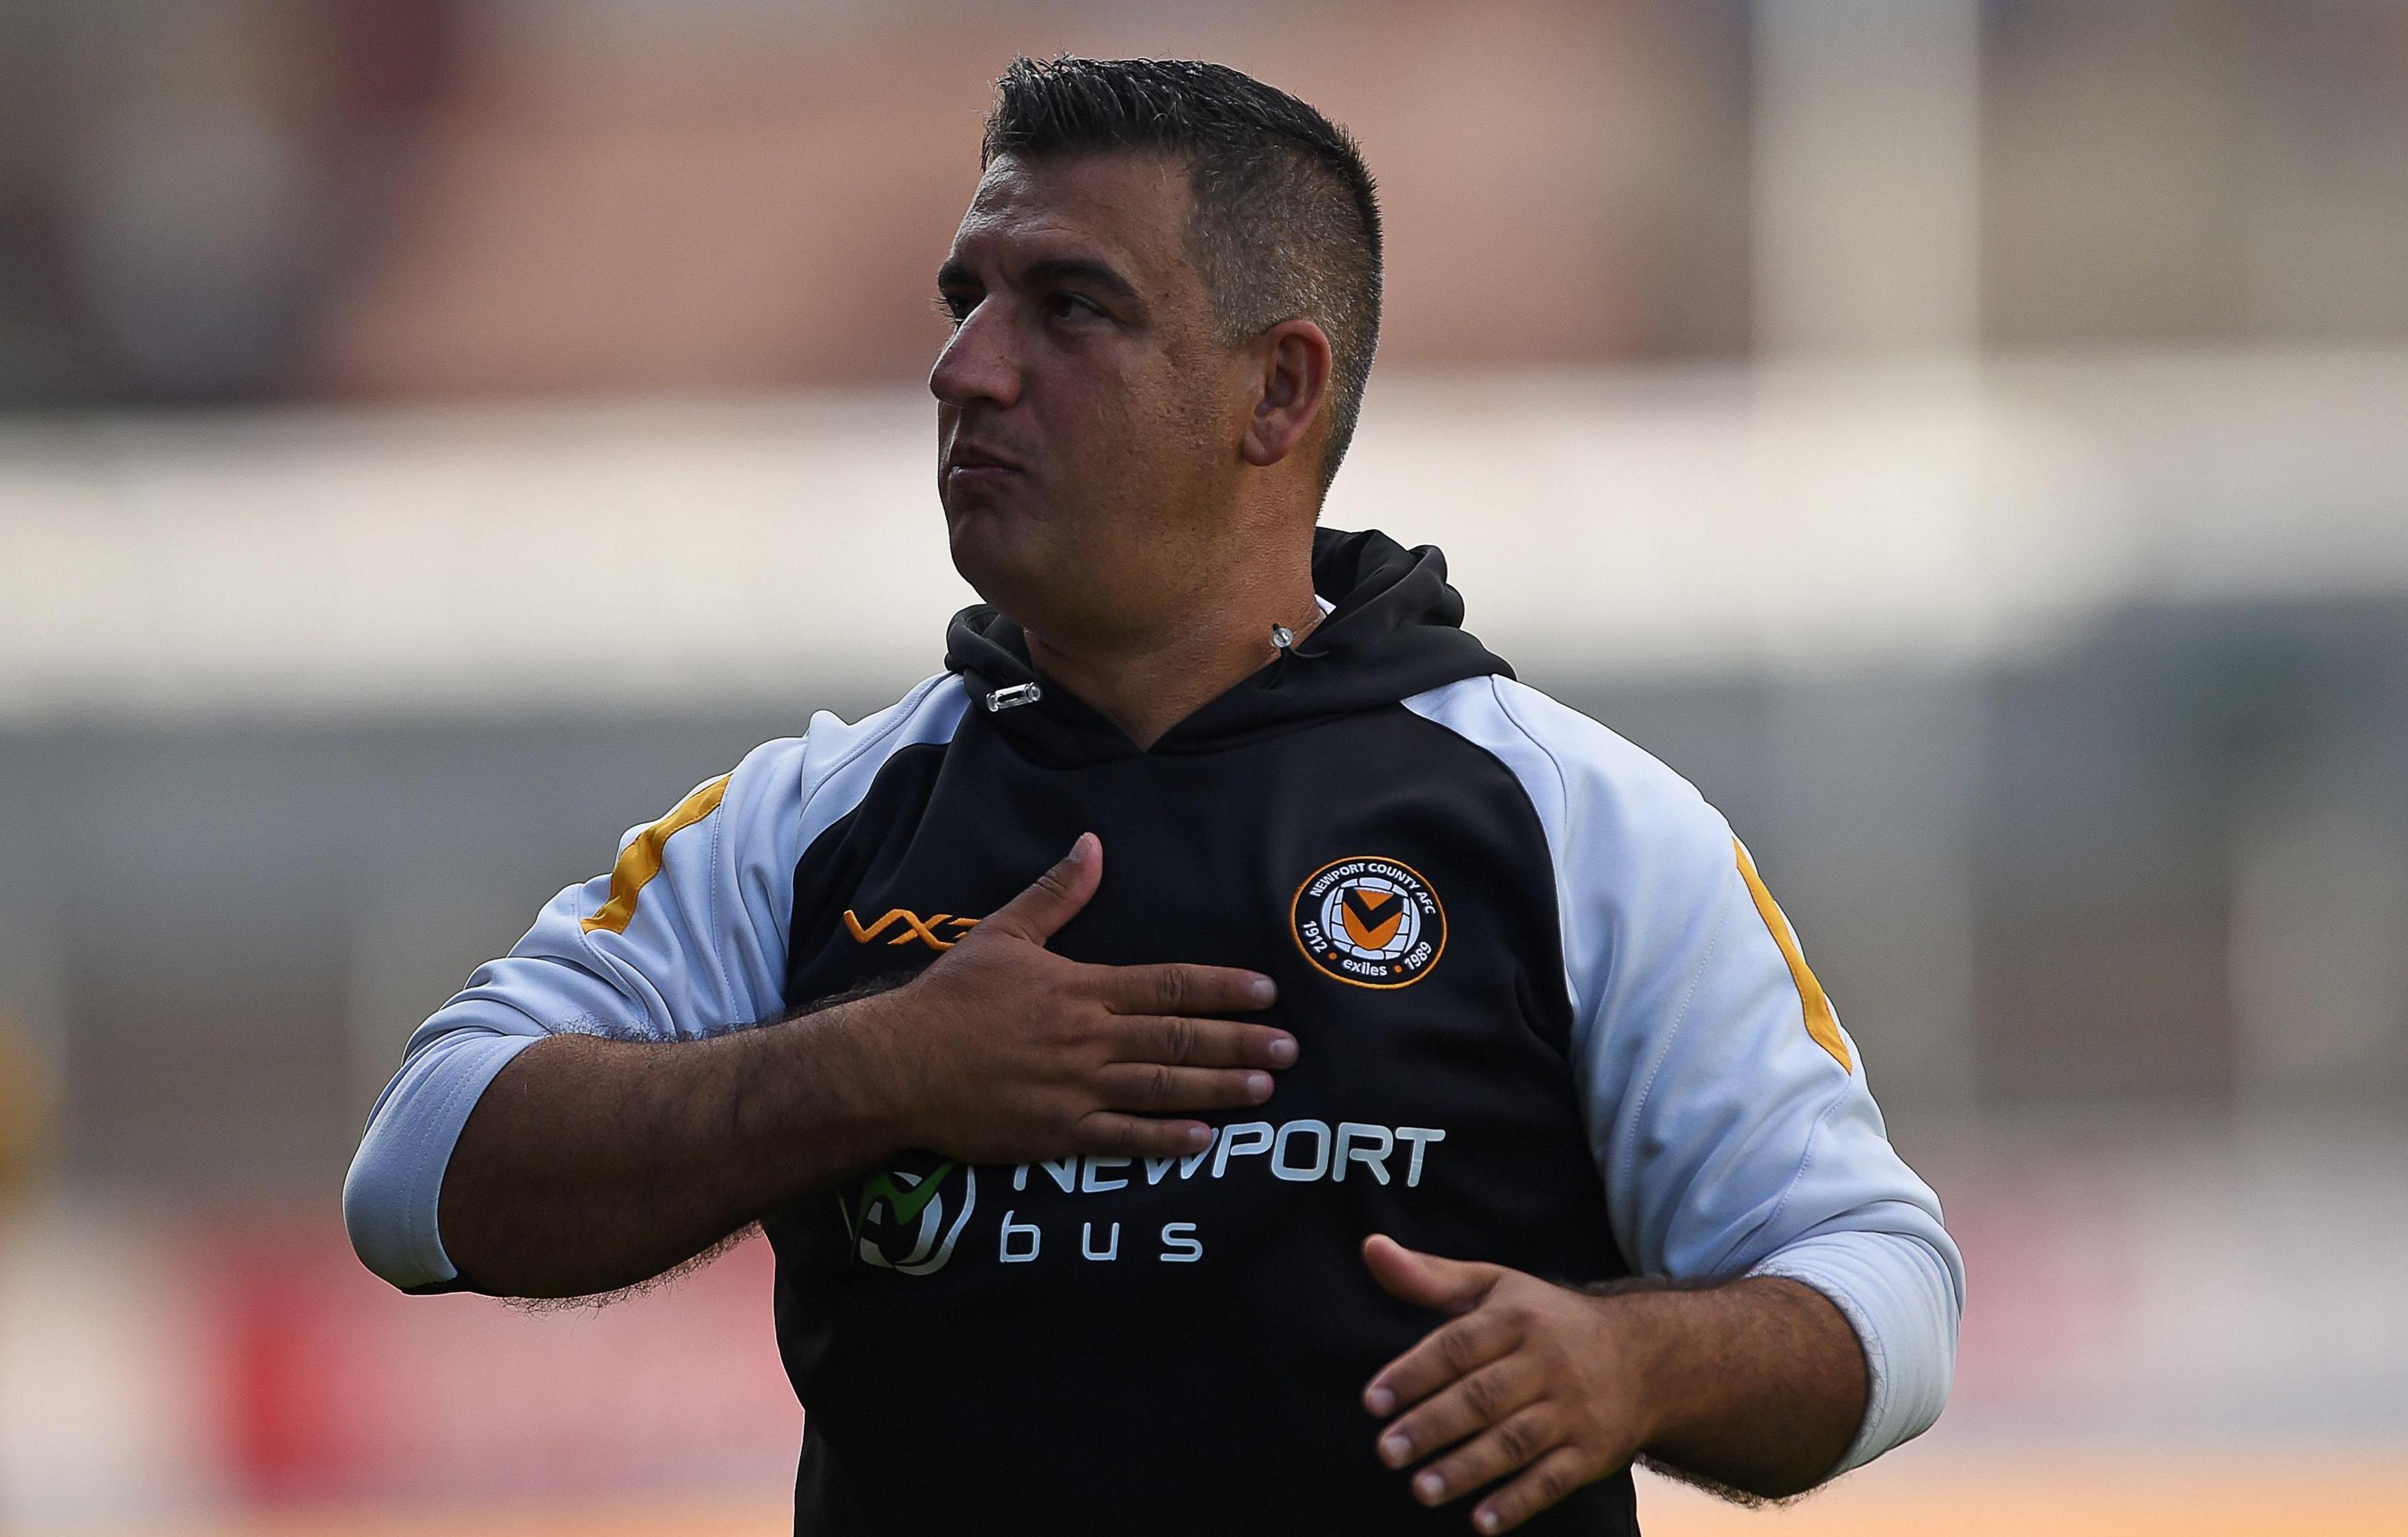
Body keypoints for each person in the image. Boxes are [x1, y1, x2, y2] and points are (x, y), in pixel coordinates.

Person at [346, 56, 1960, 1536]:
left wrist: (1628, 1364)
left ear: (1277, 393)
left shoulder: (1572, 820)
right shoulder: (811, 818)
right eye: (961, 298)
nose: (963, 369)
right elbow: (414, 1175)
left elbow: (1881, 1289)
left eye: (1066, 308)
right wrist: (877, 1067)